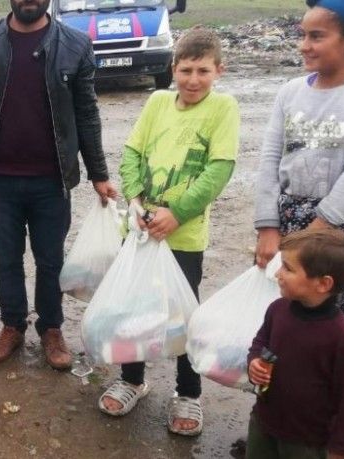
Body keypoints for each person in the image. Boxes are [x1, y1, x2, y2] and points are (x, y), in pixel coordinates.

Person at [253, 0, 344, 417]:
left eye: (317, 36)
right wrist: (267, 227)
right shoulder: (290, 92)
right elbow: (268, 160)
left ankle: (326, 427)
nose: (305, 45)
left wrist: (312, 236)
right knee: (281, 329)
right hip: (287, 226)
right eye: (303, 34)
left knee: (332, 334)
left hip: (340, 234)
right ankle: (277, 419)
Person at [0, 0, 116, 371]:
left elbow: (87, 112)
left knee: (50, 259)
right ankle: (12, 325)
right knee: (6, 260)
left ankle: (51, 328)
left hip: (51, 180)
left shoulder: (75, 45)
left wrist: (99, 174)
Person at [100, 27, 240, 436]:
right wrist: (137, 198)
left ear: (219, 71)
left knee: (182, 315)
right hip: (141, 230)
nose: (193, 80)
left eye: (203, 71)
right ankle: (131, 379)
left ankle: (188, 392)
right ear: (172, 68)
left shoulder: (223, 108)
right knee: (134, 306)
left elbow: (219, 170)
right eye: (185, 70)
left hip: (183, 236)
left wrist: (176, 214)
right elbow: (132, 152)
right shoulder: (158, 101)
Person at [247, 228, 344, 459]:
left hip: (308, 442)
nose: (278, 274)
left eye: (288, 268)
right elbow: (260, 341)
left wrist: (342, 450)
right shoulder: (277, 310)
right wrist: (254, 362)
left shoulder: (341, 337)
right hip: (263, 424)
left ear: (323, 283)